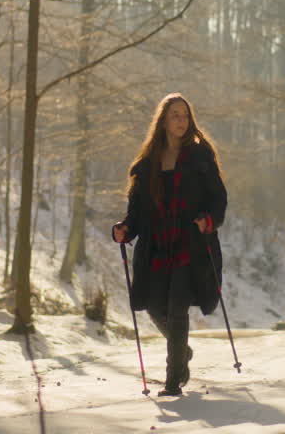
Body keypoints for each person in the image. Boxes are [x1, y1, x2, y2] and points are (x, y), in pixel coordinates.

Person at [112, 93, 228, 396]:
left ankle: (173, 378)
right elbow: (136, 211)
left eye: (185, 115)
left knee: (178, 308)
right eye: (175, 115)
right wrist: (125, 229)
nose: (181, 120)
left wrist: (208, 221)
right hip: (156, 244)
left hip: (190, 243)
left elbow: (219, 199)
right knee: (153, 305)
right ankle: (182, 351)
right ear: (163, 120)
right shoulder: (148, 163)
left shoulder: (201, 156)